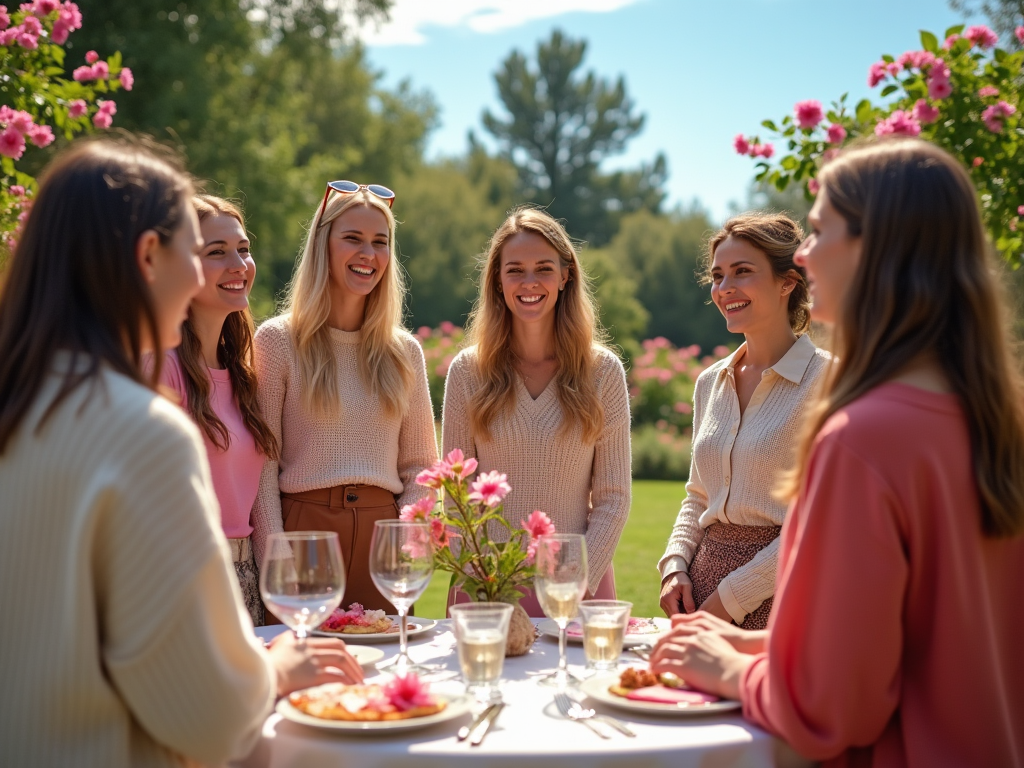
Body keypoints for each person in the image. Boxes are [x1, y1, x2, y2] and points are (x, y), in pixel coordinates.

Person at [650, 139, 1024, 767]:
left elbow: (833, 704)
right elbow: (911, 647)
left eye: (820, 229)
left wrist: (730, 668)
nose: (802, 253)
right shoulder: (991, 419)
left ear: (879, 250)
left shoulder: (860, 438)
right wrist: (749, 648)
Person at [0, 137, 362, 767]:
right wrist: (273, 669)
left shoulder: (21, 406)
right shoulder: (143, 429)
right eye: (194, 252)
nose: (204, 274)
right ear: (148, 256)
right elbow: (208, 717)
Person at [251, 181, 437, 614]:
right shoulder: (278, 342)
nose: (367, 254)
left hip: (384, 540)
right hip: (305, 537)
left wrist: (406, 549)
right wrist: (278, 559)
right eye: (352, 238)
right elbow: (262, 465)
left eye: (380, 242)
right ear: (322, 244)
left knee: (385, 669)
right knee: (309, 675)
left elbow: (422, 469)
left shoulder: (404, 352)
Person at [442, 207, 631, 617]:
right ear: (497, 280)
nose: (530, 282)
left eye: (544, 268)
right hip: (486, 586)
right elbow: (455, 498)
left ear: (566, 276)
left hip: (578, 588)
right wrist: (483, 580)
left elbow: (614, 498)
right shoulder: (468, 373)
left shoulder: (602, 373)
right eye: (515, 270)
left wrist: (576, 579)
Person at [658, 213, 829, 629]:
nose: (724, 289)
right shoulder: (709, 383)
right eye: (717, 276)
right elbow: (699, 494)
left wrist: (731, 600)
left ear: (788, 281)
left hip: (781, 595)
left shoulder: (828, 380)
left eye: (742, 272)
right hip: (697, 593)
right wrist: (675, 564)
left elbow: (815, 521)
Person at [156, 195, 278, 626]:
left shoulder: (244, 373)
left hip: (247, 578)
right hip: (186, 579)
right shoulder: (161, 369)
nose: (239, 264)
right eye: (216, 252)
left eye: (243, 249)